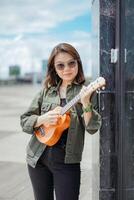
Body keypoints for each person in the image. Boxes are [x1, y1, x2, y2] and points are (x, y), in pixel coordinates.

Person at [20, 43, 102, 200]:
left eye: (71, 63)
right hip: (37, 157)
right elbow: (25, 121)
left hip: (67, 161)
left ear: (78, 63)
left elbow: (92, 128)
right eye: (60, 65)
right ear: (54, 69)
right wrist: (42, 118)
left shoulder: (87, 92)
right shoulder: (46, 91)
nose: (67, 69)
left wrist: (85, 103)